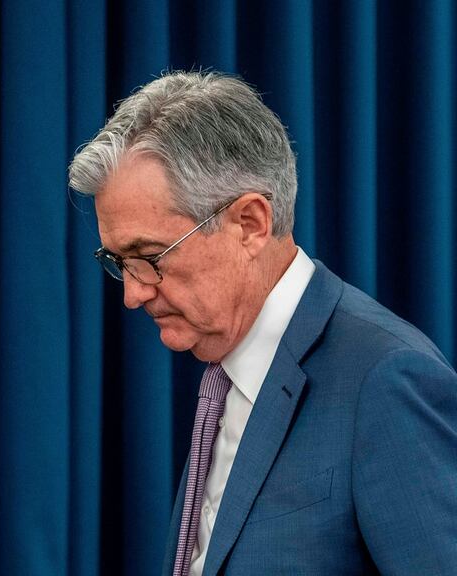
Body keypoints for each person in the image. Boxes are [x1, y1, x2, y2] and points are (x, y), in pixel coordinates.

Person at [68, 71, 457, 575]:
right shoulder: (225, 374)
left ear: (250, 224)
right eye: (119, 261)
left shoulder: (386, 379)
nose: (133, 293)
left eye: (149, 256)